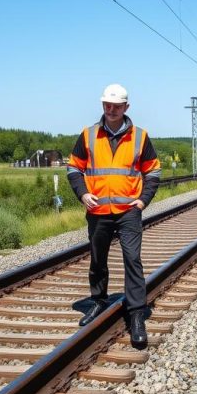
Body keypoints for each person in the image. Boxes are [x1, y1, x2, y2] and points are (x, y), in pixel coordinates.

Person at [66, 84, 161, 347]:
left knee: (132, 260)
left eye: (116, 106)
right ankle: (98, 301)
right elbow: (74, 168)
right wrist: (82, 193)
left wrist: (142, 201)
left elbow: (153, 172)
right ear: (102, 105)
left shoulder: (140, 137)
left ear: (126, 108)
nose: (111, 110)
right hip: (97, 211)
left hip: (129, 211)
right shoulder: (88, 135)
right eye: (107, 105)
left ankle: (136, 314)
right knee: (98, 259)